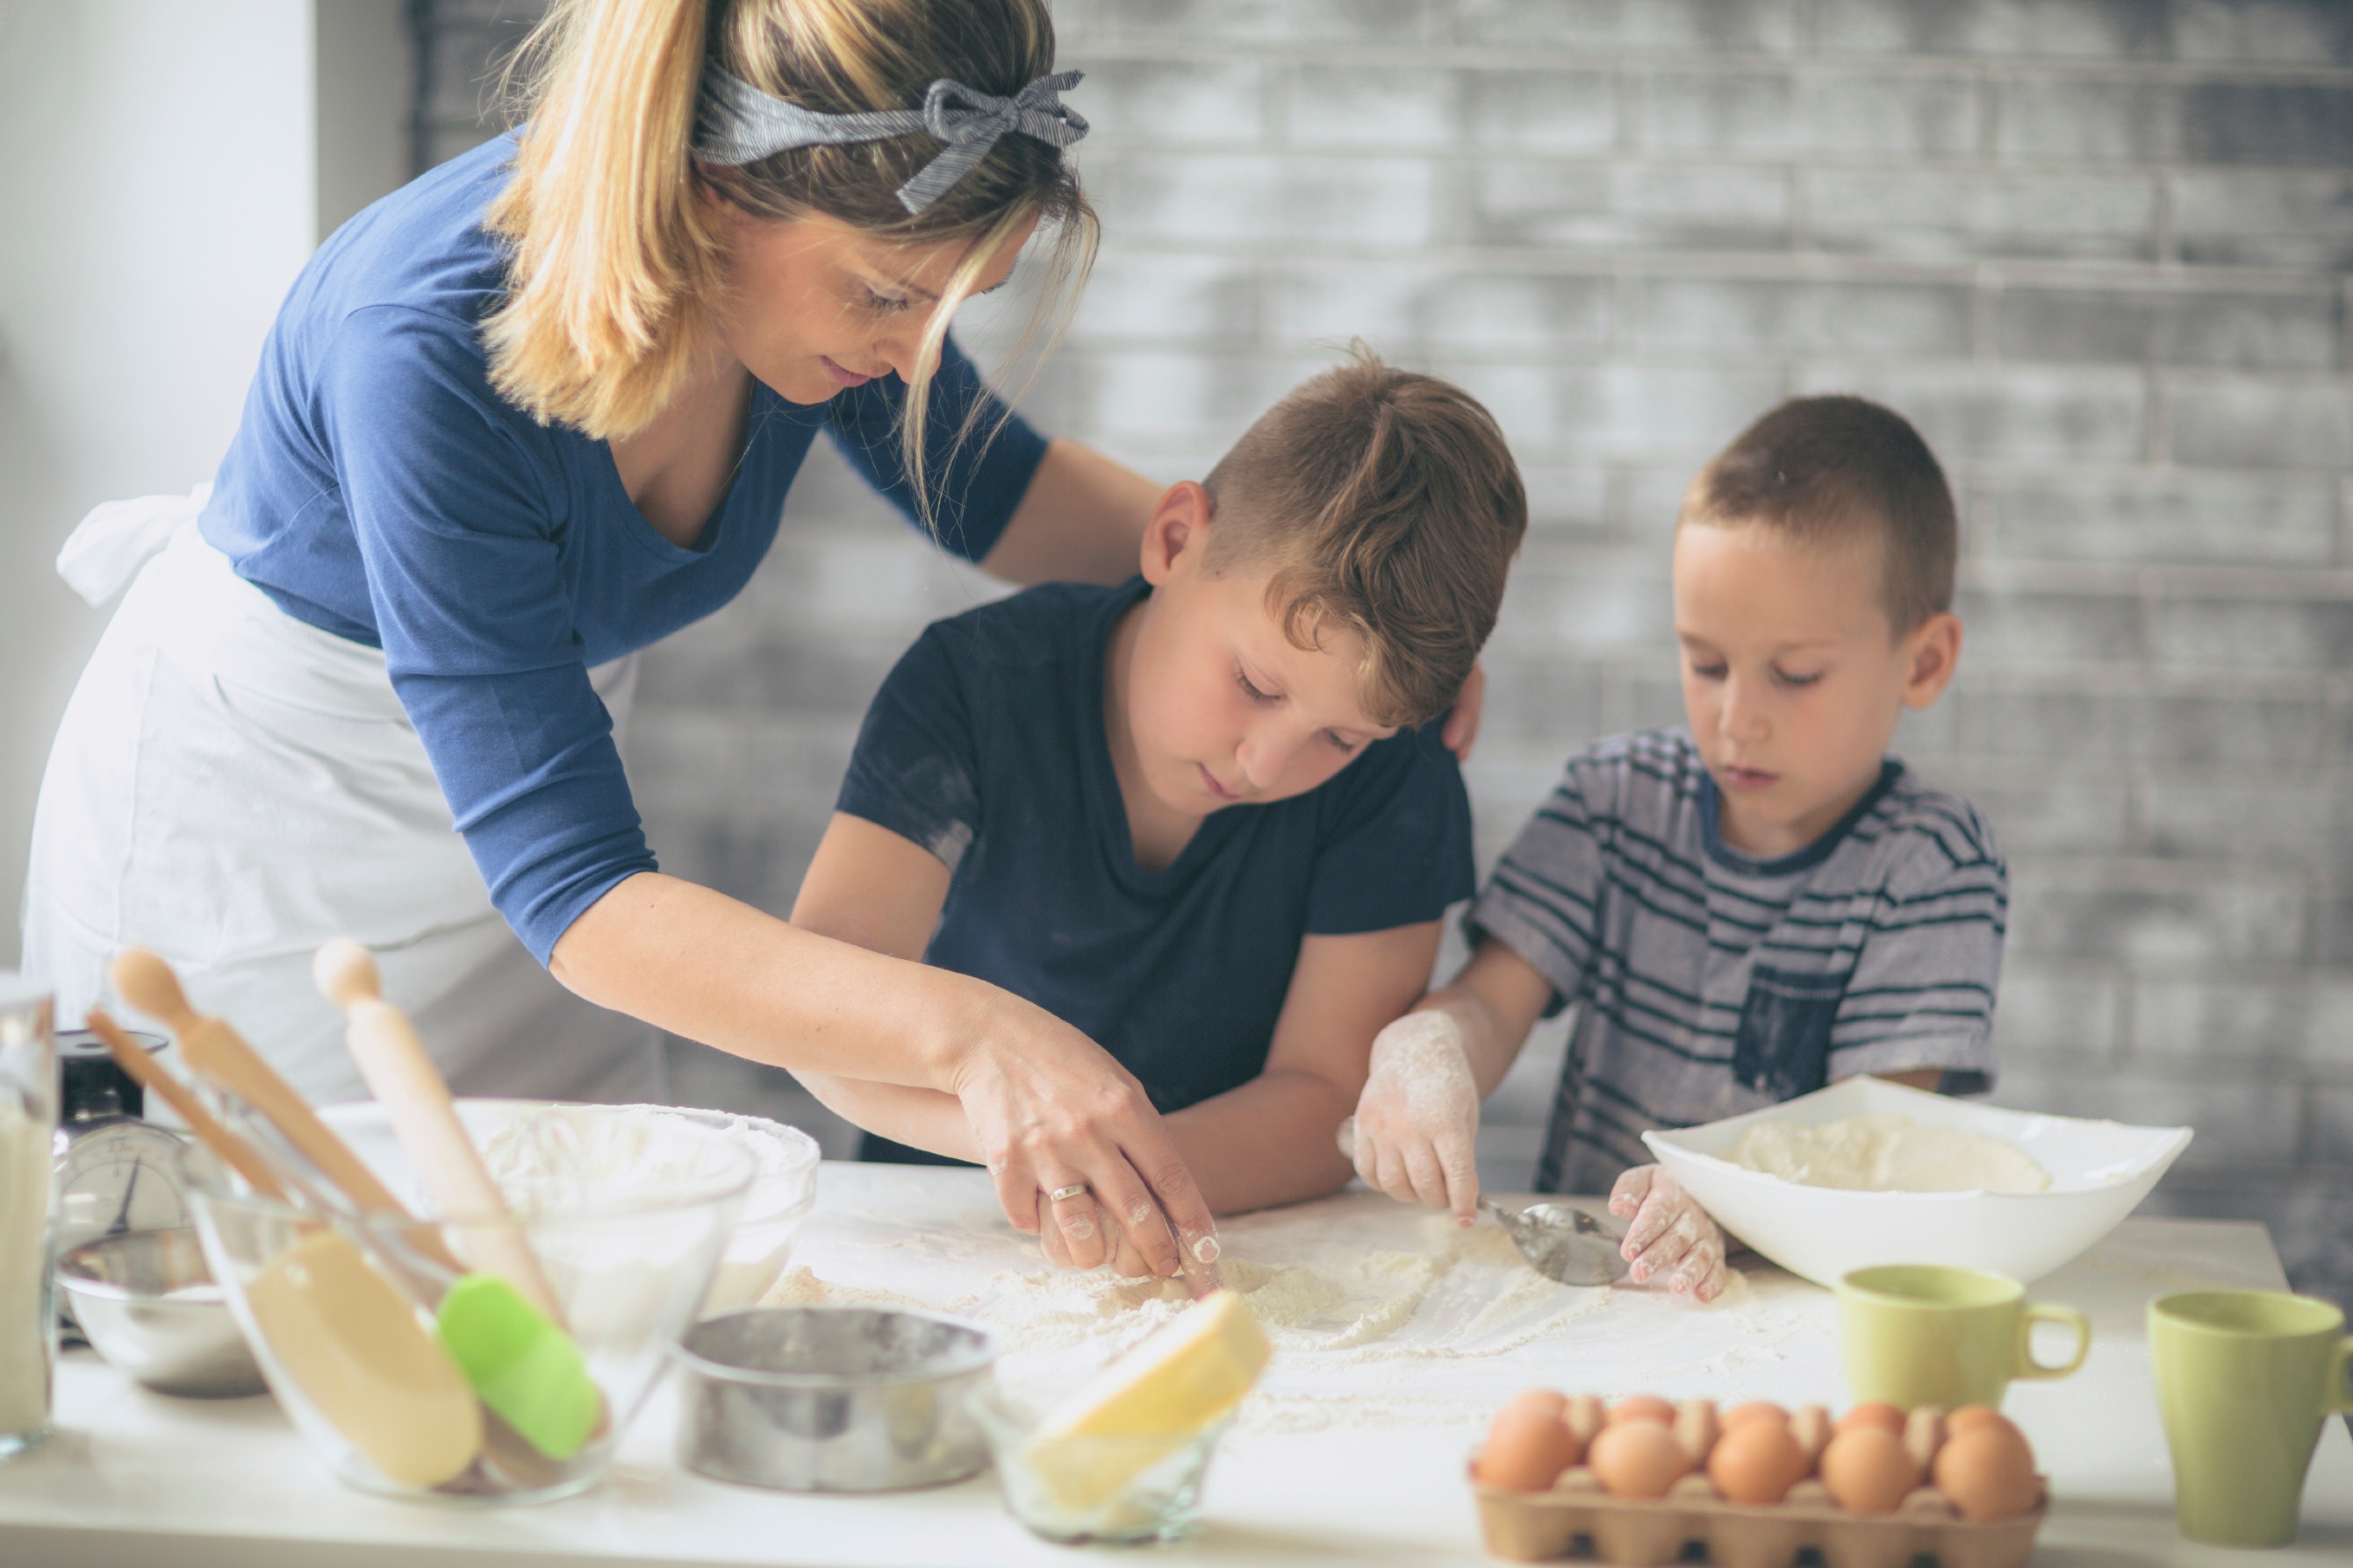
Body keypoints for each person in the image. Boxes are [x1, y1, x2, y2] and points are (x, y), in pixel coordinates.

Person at [28, 0, 1505, 1288]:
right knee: (287, 1322)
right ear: (719, 188)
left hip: (532, 868)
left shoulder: (821, 303)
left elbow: (1006, 495)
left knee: (563, 1290)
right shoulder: (419, 349)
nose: (919, 345)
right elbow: (582, 895)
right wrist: (973, 1036)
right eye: (891, 295)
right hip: (259, 862)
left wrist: (1329, 621)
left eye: (951, 302)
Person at [787, 355, 1526, 1262]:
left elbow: (1324, 1095)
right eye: (1255, 683)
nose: (1266, 763)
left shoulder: (1398, 776)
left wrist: (1119, 1174)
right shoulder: (971, 687)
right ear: (1173, 539)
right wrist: (1035, 1139)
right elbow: (816, 1002)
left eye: (1340, 738)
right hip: (938, 1214)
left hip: (1230, 1232)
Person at [1345, 395, 2008, 1303]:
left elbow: (1872, 1143)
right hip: (1583, 1294)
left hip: (1788, 1301)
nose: (1737, 719)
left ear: (1923, 663)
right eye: (1705, 663)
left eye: (1796, 674)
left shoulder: (1931, 866)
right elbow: (1490, 1008)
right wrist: (1428, 1045)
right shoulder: (1617, 800)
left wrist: (1725, 1208)